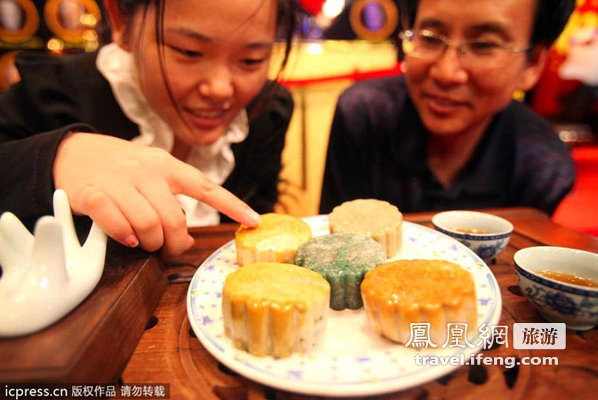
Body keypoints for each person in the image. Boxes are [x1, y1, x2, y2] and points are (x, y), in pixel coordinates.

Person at [0, 0, 297, 256]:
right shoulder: (49, 98)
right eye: (189, 52)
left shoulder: (264, 113)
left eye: (251, 60)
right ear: (122, 21)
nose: (220, 89)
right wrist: (56, 157)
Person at [320, 0, 576, 216]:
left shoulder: (542, 165)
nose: (446, 73)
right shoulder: (365, 115)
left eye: (483, 45)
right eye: (430, 38)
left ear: (533, 63)